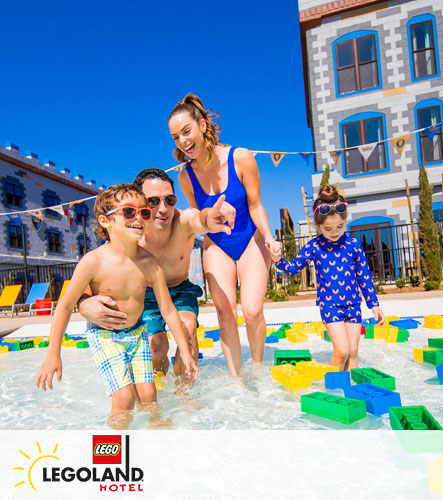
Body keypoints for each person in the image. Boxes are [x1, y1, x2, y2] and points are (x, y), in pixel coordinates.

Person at [35, 185, 198, 428]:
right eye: (129, 212)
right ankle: (112, 452)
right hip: (106, 336)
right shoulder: (93, 261)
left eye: (144, 213)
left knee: (149, 396)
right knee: (124, 397)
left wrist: (185, 351)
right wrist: (52, 355)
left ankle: (156, 441)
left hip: (138, 334)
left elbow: (168, 310)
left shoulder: (149, 263)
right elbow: (65, 306)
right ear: (105, 220)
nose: (139, 219)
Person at [79, 168, 236, 378]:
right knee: (156, 347)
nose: (163, 209)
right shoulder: (130, 233)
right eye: (153, 202)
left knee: (188, 327)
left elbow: (200, 218)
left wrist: (210, 219)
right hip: (146, 294)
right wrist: (83, 303)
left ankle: (186, 398)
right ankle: (158, 398)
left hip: (180, 290)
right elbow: (98, 270)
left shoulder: (183, 221)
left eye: (169, 200)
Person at [168, 94, 280, 376]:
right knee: (225, 311)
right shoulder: (185, 177)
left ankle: (256, 368)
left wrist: (269, 236)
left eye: (186, 132)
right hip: (216, 245)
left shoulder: (240, 157)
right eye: (175, 137)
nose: (182, 141)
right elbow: (197, 218)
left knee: (252, 310)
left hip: (249, 239)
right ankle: (236, 379)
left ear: (203, 126)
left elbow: (255, 205)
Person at [271, 185, 384, 370]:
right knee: (342, 351)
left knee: (353, 351)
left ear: (345, 220)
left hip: (353, 304)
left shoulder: (353, 244)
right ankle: (333, 389)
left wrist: (374, 305)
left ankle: (353, 391)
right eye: (328, 228)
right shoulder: (314, 246)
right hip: (330, 304)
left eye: (340, 226)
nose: (335, 232)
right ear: (318, 225)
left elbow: (364, 276)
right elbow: (292, 268)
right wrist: (278, 260)